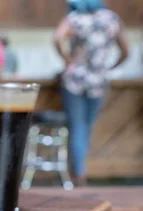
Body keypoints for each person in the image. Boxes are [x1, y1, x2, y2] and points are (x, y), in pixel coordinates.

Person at [54, 0, 129, 186]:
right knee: (86, 126)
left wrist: (68, 60)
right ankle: (79, 170)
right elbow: (126, 50)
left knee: (77, 125)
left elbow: (57, 38)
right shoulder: (111, 19)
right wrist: (109, 67)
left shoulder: (75, 18)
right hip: (98, 79)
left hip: (75, 79)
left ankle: (77, 173)